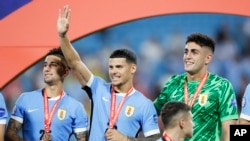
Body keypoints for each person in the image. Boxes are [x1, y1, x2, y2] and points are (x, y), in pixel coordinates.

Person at [57, 5, 160, 141]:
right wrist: (63, 37)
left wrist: (126, 139)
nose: (113, 71)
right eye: (111, 67)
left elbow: (154, 139)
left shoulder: (144, 104)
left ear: (132, 69)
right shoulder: (98, 88)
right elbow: (75, 63)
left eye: (119, 67)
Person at [154, 33, 238, 141]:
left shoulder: (221, 86)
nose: (188, 56)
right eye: (186, 52)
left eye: (194, 52)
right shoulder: (172, 82)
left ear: (207, 59)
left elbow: (230, 130)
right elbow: (149, 113)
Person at [5, 48, 88, 141]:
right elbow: (10, 133)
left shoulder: (76, 107)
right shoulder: (25, 99)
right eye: (45, 65)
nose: (47, 69)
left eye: (53, 65)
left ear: (66, 72)